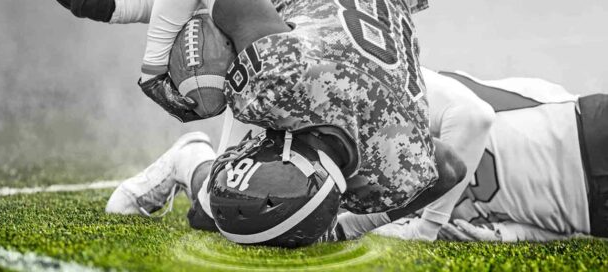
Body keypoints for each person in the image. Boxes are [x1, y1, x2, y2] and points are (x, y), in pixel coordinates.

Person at [56, 0, 468, 246]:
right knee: (211, 210)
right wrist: (153, 67)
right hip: (302, 59)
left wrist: (344, 227)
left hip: (343, 55)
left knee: (231, 214)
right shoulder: (279, 80)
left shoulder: (401, 165)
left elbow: (449, 169)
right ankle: (189, 160)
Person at [371, 69, 608, 242]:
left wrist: (428, 227)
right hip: (590, 216)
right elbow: (554, 230)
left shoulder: (396, 97)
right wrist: (504, 235)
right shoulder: (383, 212)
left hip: (581, 136)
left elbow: (473, 117)